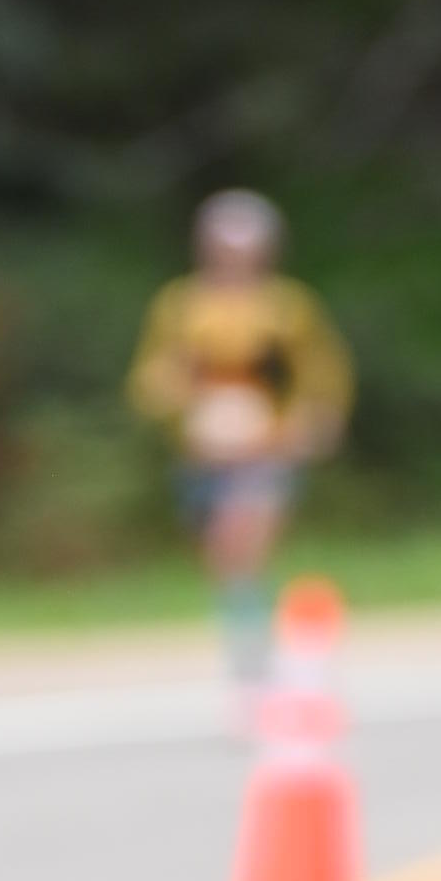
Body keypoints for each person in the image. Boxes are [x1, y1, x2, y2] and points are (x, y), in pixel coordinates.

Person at [126, 192, 353, 677]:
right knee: (224, 560)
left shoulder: (287, 307)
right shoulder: (181, 306)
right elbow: (151, 376)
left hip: (267, 448)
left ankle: (256, 655)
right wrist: (175, 397)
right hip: (201, 455)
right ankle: (252, 633)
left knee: (241, 540)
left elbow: (321, 372)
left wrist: (315, 419)